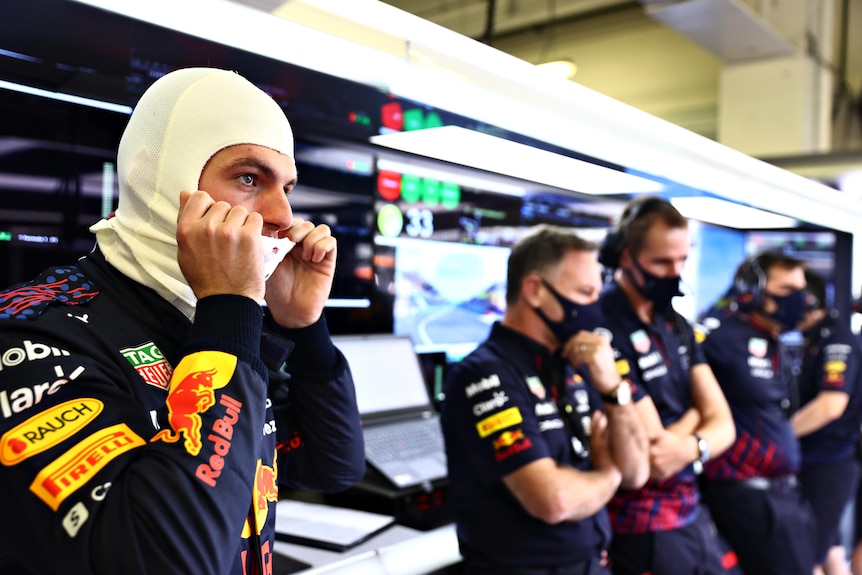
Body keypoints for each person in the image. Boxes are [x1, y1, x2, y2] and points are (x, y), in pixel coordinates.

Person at [0, 68, 365, 574]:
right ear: (158, 180)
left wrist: (304, 326)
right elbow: (162, 559)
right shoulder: (32, 335)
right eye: (248, 178)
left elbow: (333, 465)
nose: (284, 213)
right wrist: (230, 311)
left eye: (287, 186)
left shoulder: (212, 323)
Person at [440, 224, 650, 575]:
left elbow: (637, 471)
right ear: (535, 290)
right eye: (584, 293)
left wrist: (613, 390)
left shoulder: (578, 366)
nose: (595, 309)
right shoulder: (484, 374)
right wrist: (607, 476)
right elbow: (554, 500)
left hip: (592, 563)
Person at [596, 196, 736, 575]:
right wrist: (698, 416)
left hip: (692, 514)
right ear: (625, 257)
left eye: (682, 261)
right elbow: (654, 454)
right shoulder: (601, 326)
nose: (674, 272)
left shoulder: (676, 324)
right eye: (662, 262)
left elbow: (725, 423)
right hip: (638, 527)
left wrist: (692, 444)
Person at [698, 251, 817, 575]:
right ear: (754, 289)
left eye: (801, 288)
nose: (801, 298)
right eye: (788, 288)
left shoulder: (773, 337)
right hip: (744, 498)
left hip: (784, 494)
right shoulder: (718, 336)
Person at [794, 271, 862, 575]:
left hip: (830, 463)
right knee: (831, 551)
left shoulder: (837, 339)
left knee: (806, 557)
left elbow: (831, 405)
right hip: (819, 460)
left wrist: (778, 436)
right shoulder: (815, 337)